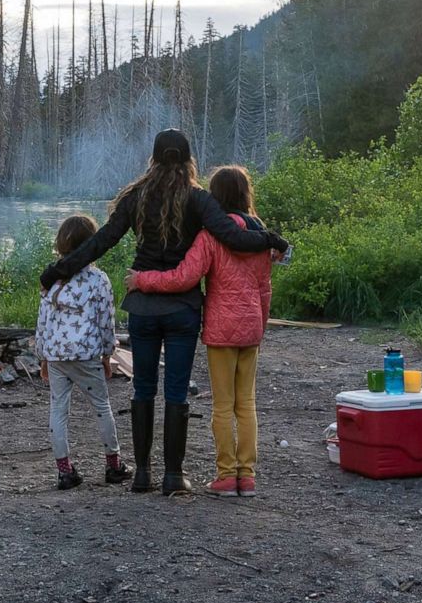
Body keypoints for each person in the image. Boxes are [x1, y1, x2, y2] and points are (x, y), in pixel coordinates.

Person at [40, 129, 289, 495]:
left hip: (143, 308)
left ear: (153, 160)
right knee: (176, 392)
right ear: (189, 160)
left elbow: (99, 242)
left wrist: (59, 269)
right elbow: (233, 237)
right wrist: (270, 239)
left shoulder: (136, 197)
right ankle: (173, 475)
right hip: (182, 309)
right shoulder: (199, 199)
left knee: (142, 388)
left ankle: (142, 474)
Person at [126, 166, 273, 498]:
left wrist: (142, 280)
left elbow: (184, 277)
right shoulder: (261, 237)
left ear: (215, 197)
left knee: (223, 405)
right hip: (250, 328)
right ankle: (246, 476)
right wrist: (259, 324)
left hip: (221, 331)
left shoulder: (211, 237)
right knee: (246, 403)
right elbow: (265, 289)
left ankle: (225, 475)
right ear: (246, 193)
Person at [35, 214, 131, 490]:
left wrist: (43, 356)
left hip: (55, 355)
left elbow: (42, 321)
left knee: (58, 410)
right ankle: (114, 465)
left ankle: (65, 471)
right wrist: (107, 354)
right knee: (101, 406)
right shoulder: (98, 280)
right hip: (86, 354)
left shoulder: (52, 280)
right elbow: (105, 320)